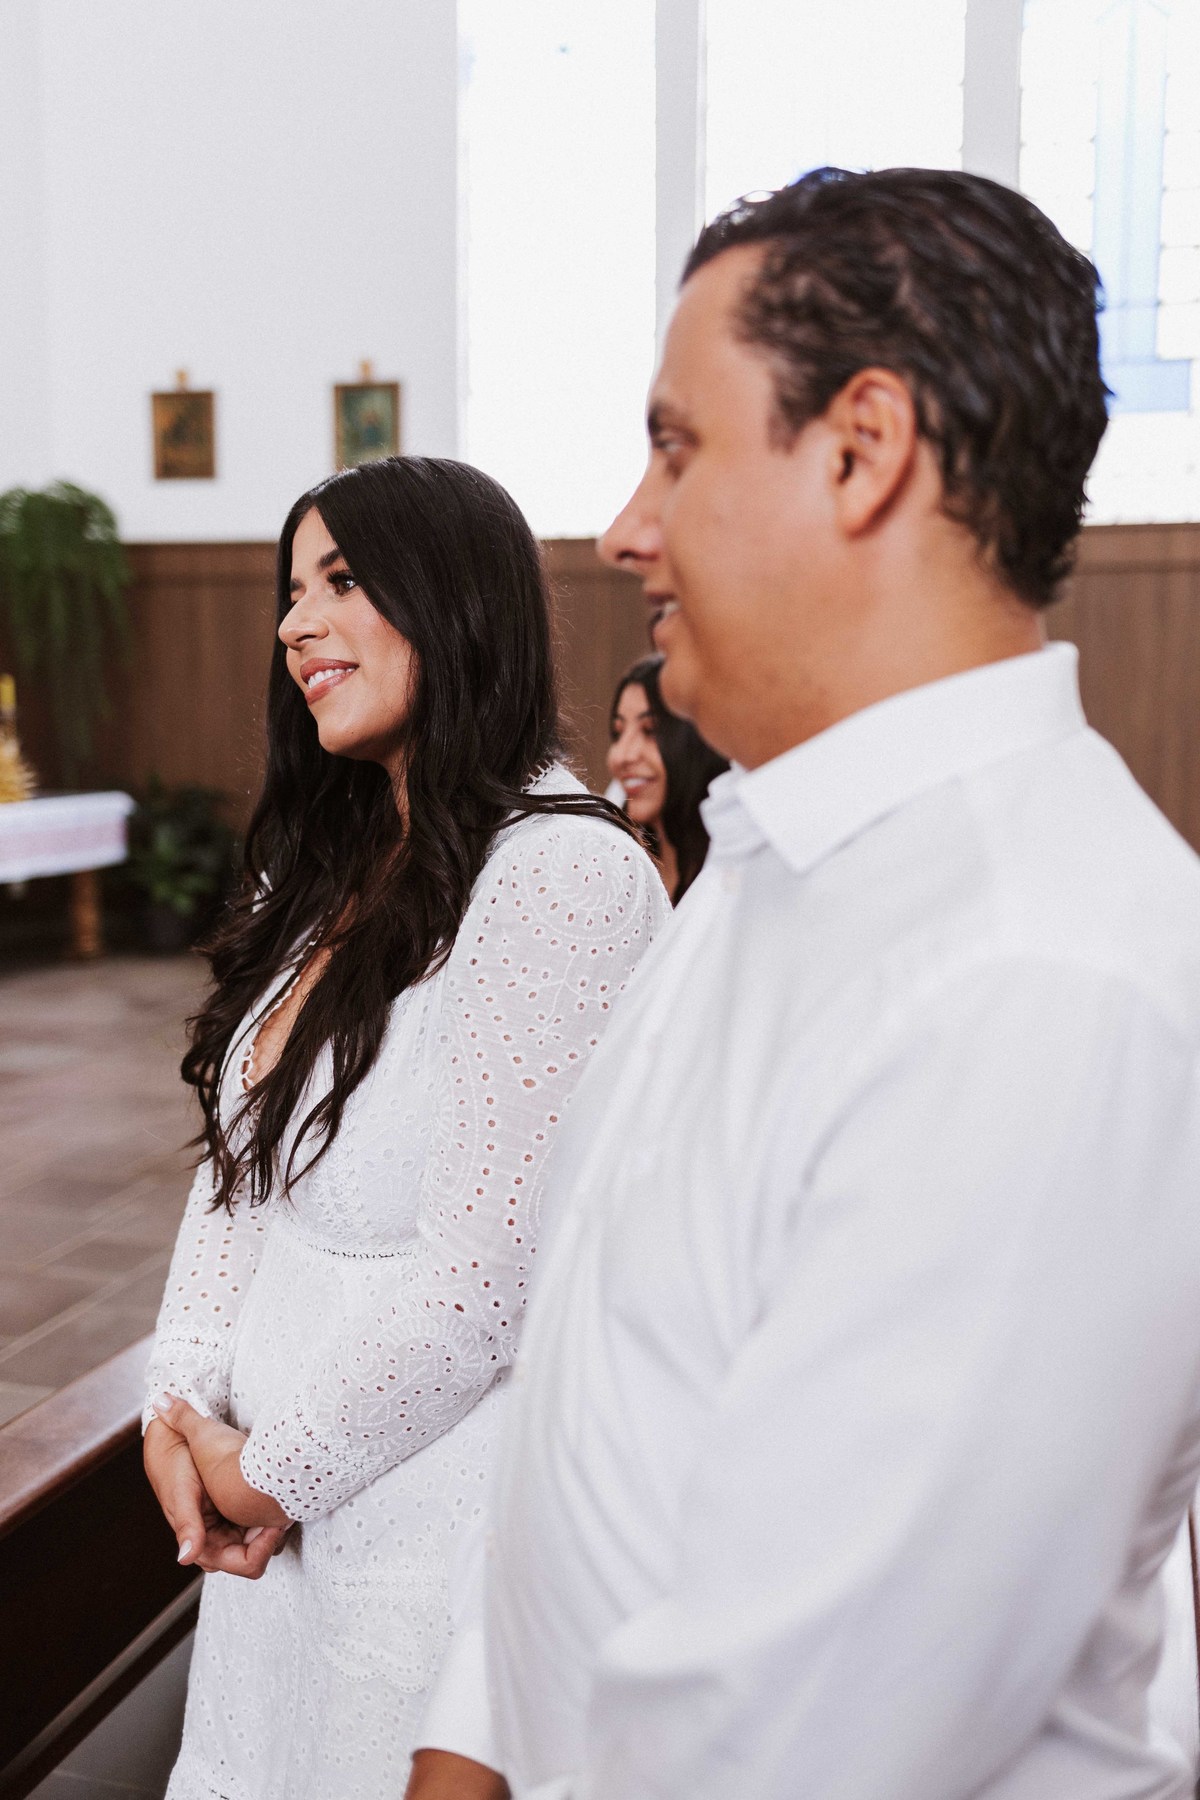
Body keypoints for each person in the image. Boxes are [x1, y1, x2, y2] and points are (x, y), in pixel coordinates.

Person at [413, 168, 1200, 1798]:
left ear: (862, 449)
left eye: (677, 448)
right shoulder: (769, 849)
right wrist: (471, 1744)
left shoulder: (1039, 975)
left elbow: (788, 1744)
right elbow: (595, 1402)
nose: (626, 528)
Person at [141, 455, 668, 1800]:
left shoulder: (558, 873)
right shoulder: (328, 869)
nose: (293, 624)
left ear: (457, 600)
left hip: (423, 1534)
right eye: (290, 590)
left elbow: (484, 1282)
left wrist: (270, 1472)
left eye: (341, 582)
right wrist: (179, 1410)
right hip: (270, 1537)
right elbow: (238, 1179)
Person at [607, 654, 728, 902]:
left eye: (650, 730)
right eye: (618, 734)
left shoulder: (732, 877)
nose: (621, 756)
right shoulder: (615, 874)